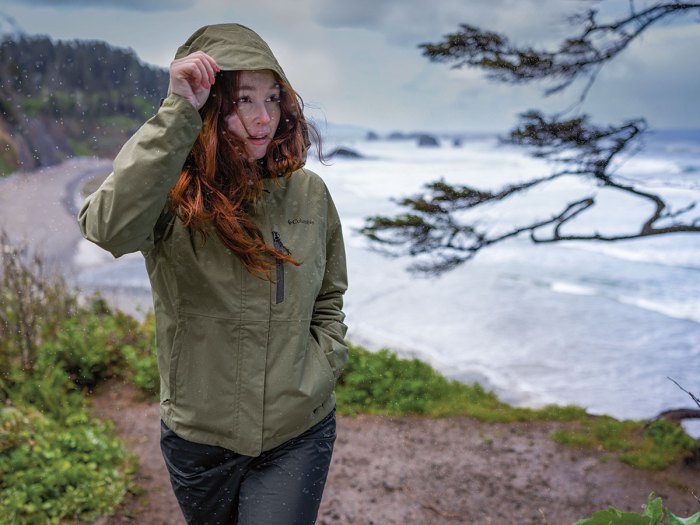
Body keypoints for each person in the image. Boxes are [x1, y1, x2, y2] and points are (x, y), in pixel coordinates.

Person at [78, 23, 348, 524]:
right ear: (211, 107)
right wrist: (177, 110)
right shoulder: (170, 195)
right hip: (200, 439)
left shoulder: (309, 194)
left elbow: (329, 300)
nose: (263, 118)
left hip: (296, 431)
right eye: (243, 100)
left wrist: (319, 366)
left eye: (272, 98)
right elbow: (107, 228)